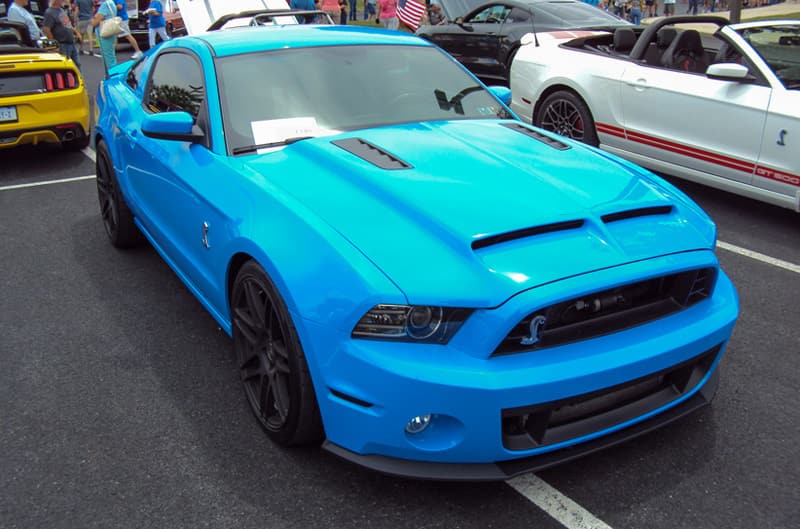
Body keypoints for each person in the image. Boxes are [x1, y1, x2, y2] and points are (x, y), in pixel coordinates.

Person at [43, 0, 81, 69]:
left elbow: (68, 24)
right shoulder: (49, 12)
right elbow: (46, 29)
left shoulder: (61, 10)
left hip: (71, 43)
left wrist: (76, 32)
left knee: (76, 65)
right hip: (61, 44)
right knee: (65, 66)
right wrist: (54, 45)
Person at [91, 0, 118, 72]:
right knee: (110, 55)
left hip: (104, 33)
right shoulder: (111, 3)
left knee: (107, 57)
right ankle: (111, 73)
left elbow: (96, 20)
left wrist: (94, 20)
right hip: (109, 31)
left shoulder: (105, 5)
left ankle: (112, 75)